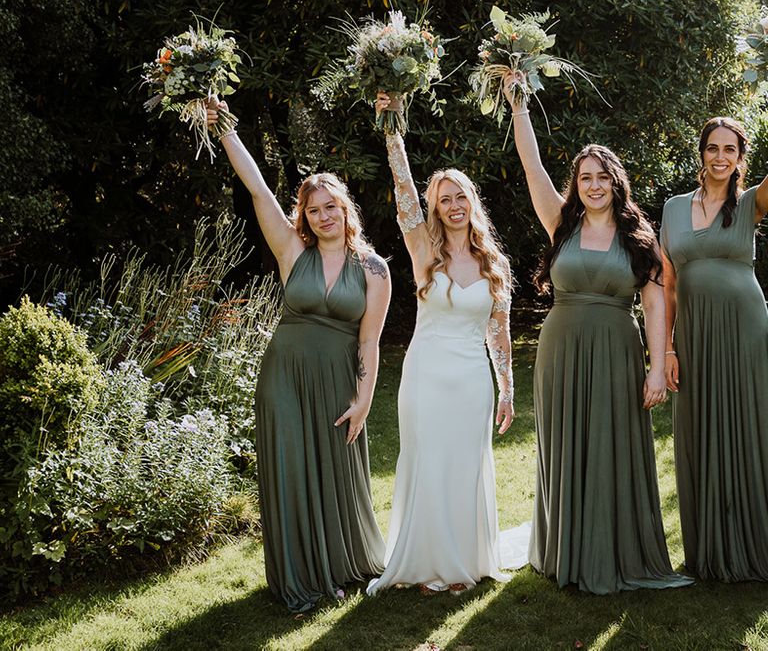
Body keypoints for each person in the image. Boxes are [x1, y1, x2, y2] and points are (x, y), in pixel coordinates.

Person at [507, 77, 692, 593]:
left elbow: (655, 301)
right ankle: (565, 548)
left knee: (612, 445)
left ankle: (613, 548)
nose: (593, 185)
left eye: (602, 178)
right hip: (560, 351)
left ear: (616, 184)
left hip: (615, 350)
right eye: (585, 177)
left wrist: (657, 365)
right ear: (577, 184)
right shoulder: (559, 224)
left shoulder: (638, 236)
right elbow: (531, 165)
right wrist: (519, 104)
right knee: (565, 445)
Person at [207, 99, 390, 611]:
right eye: (314, 210)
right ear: (304, 217)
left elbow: (370, 341)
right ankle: (300, 576)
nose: (324, 215)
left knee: (332, 471)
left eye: (331, 206)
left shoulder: (375, 269)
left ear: (345, 207)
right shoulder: (293, 252)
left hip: (336, 379)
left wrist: (365, 400)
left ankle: (335, 564)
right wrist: (224, 127)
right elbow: (257, 188)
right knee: (290, 468)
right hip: (283, 375)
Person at [366, 92, 526, 596]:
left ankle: (462, 563)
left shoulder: (493, 264)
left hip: (471, 380)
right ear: (434, 208)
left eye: (461, 197)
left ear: (472, 203)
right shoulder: (421, 249)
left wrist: (506, 389)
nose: (454, 206)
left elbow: (498, 333)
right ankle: (424, 561)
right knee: (428, 461)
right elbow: (403, 190)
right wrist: (392, 127)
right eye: (445, 199)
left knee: (462, 466)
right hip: (426, 374)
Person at [660, 116, 768, 582]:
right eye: (712, 148)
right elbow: (667, 286)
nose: (720, 157)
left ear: (741, 158)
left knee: (748, 425)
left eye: (730, 150)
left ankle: (753, 542)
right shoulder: (672, 208)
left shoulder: (749, 204)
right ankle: (708, 550)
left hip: (745, 329)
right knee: (700, 427)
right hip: (694, 336)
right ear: (701, 153)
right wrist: (666, 348)